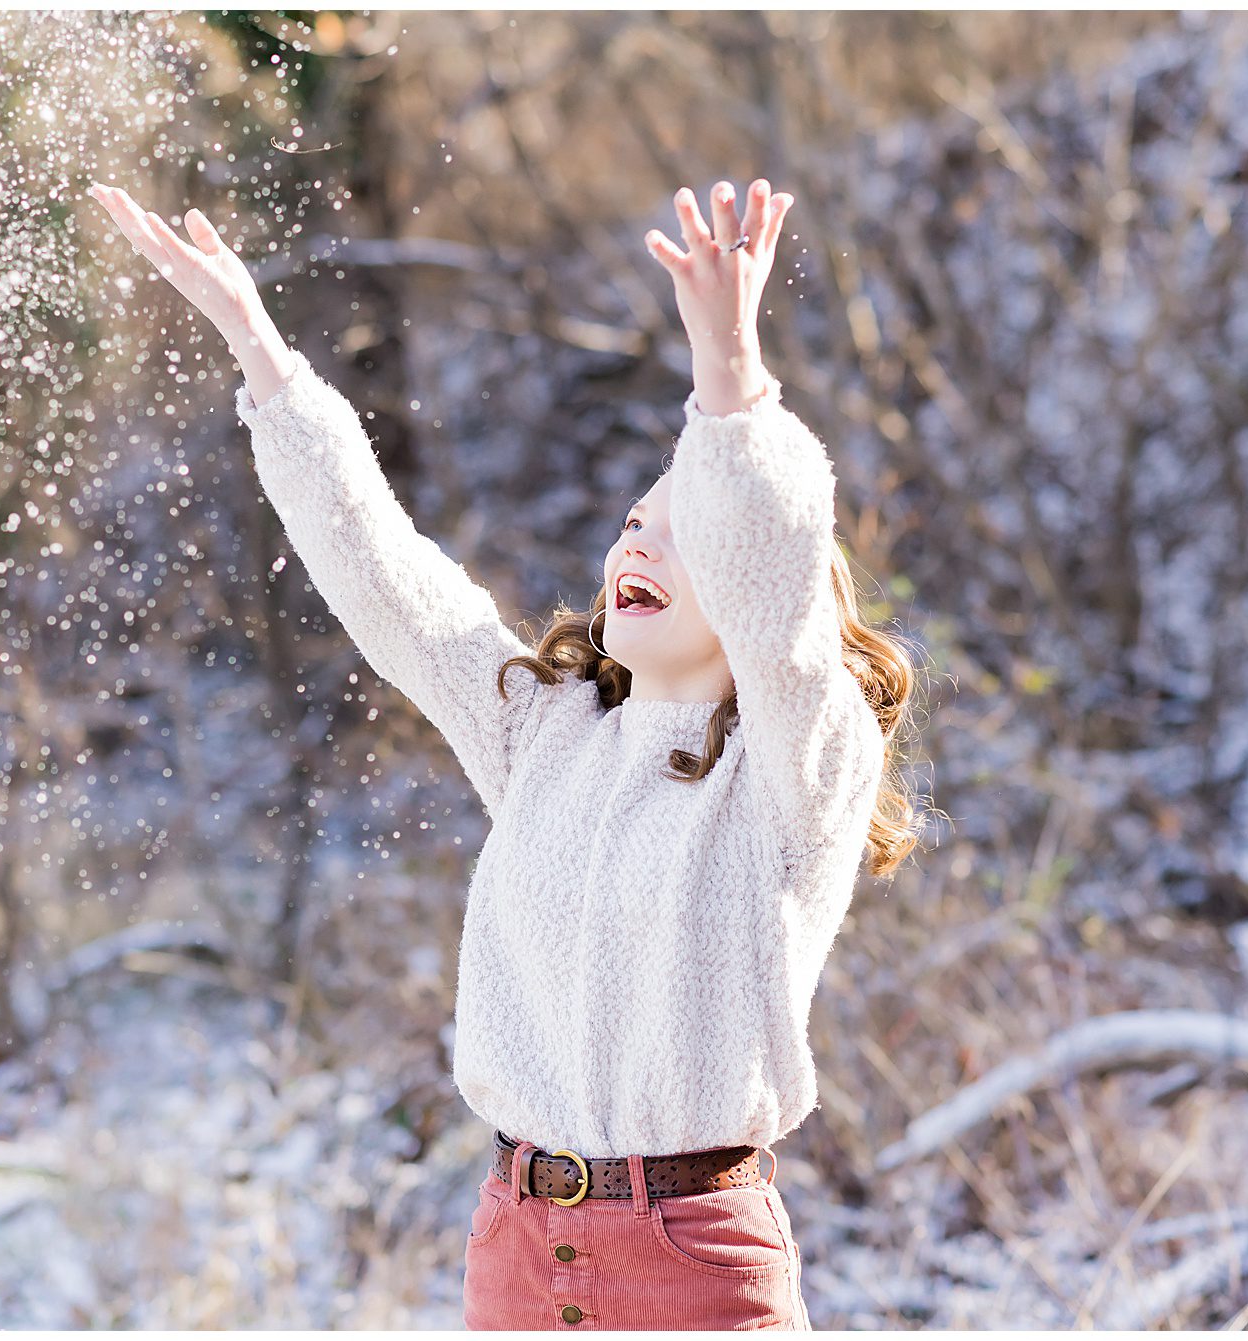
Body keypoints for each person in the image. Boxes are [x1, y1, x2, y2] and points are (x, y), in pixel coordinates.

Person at [88, 175, 926, 1330]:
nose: (638, 538)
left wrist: (730, 377)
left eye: (682, 532)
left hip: (689, 1262)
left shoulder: (797, 768)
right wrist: (265, 363)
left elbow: (772, 564)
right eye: (633, 521)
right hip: (517, 1243)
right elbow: (392, 584)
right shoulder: (547, 733)